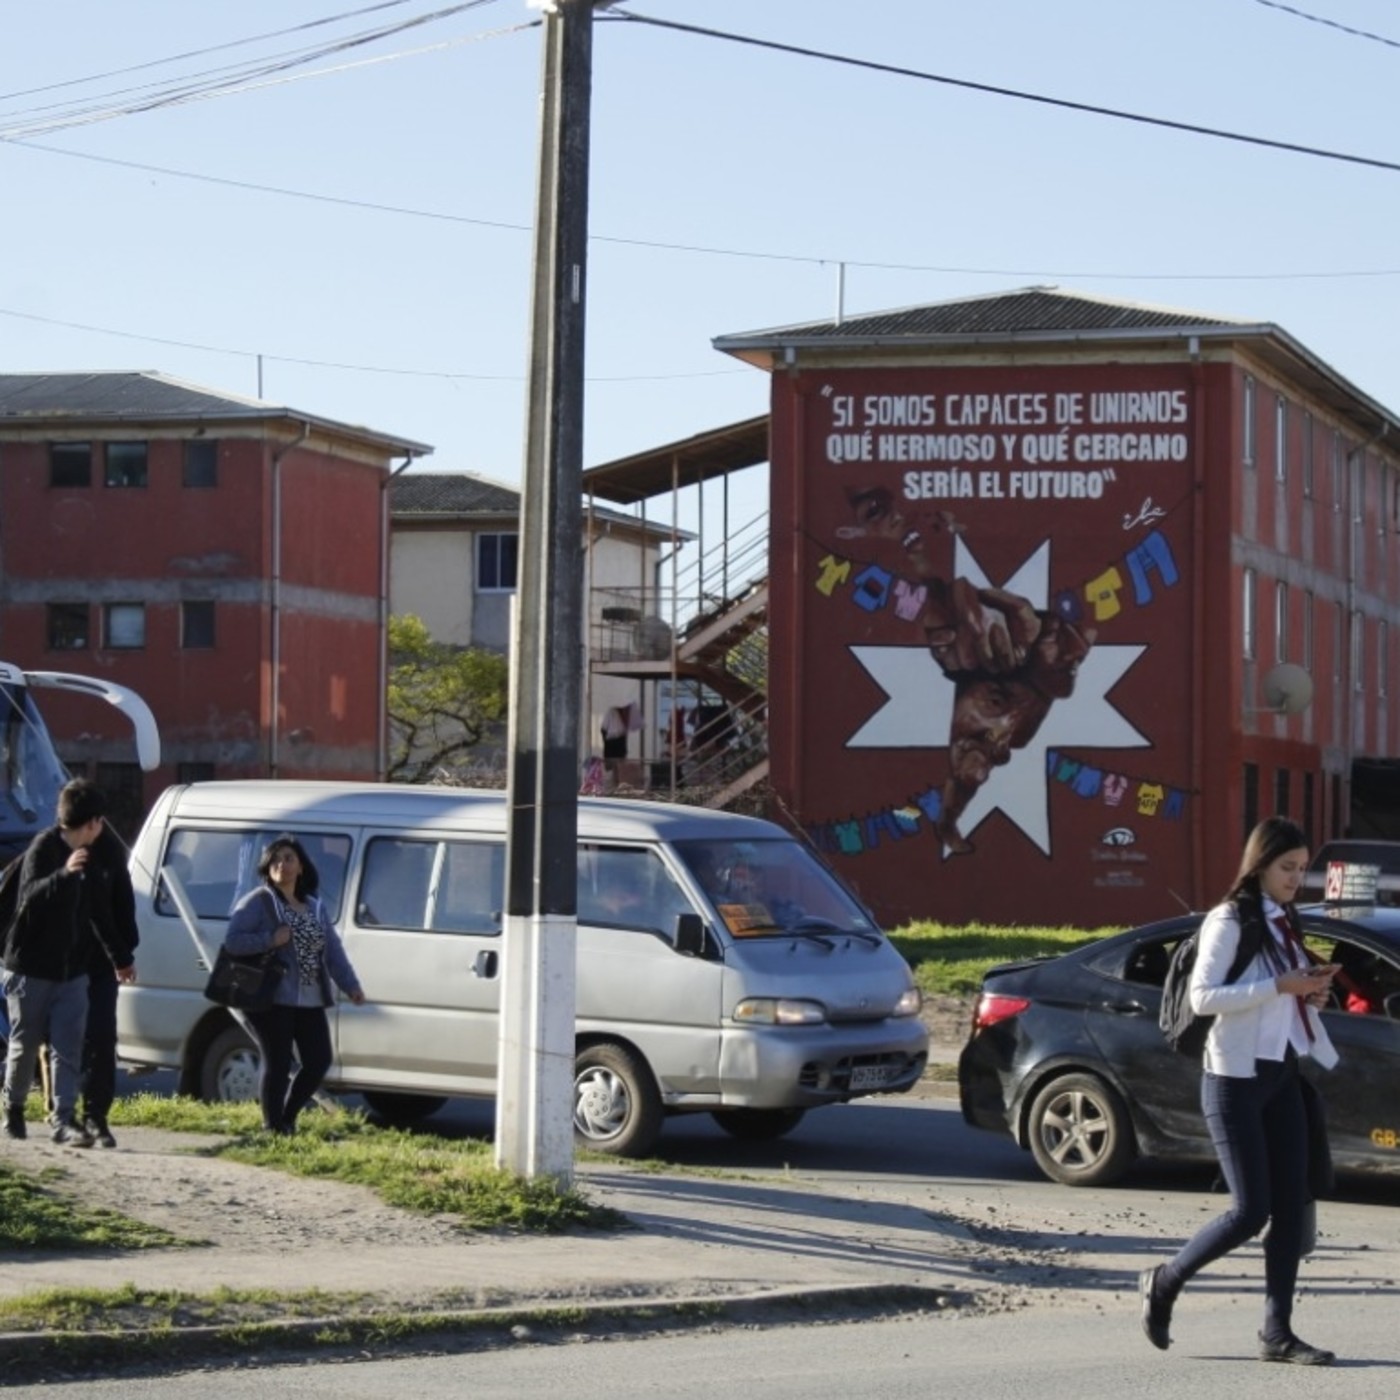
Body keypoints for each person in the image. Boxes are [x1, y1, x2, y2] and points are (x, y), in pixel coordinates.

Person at [1138, 816, 1342, 1365]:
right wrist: (1279, 985)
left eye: (1302, 869)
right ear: (1259, 866)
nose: (1297, 878)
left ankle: (1277, 1333)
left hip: (1280, 1074)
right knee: (1250, 1211)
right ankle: (1165, 1280)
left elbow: (1278, 996)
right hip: (1232, 1079)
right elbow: (1205, 997)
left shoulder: (1285, 920)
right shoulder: (1230, 919)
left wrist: (1307, 995)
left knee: (1293, 1206)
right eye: (1287, 867)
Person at [838, 488, 1093, 853]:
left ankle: (948, 819)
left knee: (978, 756)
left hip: (1003, 675)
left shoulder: (1032, 638)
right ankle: (947, 822)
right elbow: (961, 597)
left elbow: (998, 605)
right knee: (973, 759)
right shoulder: (994, 658)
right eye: (873, 514)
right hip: (989, 674)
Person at [1, 780, 137, 1146]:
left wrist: (120, 958)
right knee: (25, 1043)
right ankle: (12, 1107)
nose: (102, 828)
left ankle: (63, 1121)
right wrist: (64, 875)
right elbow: (28, 898)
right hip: (30, 967)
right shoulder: (43, 847)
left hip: (73, 970)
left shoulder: (93, 855)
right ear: (91, 822)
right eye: (99, 822)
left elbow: (99, 914)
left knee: (68, 1046)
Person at [224, 834, 364, 1135]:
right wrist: (269, 940)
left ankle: (287, 1118)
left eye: (289, 859)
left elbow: (333, 950)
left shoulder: (314, 906)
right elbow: (233, 942)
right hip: (271, 997)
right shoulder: (258, 902)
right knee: (277, 1062)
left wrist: (350, 985)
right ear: (267, 868)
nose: (282, 865)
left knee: (318, 1060)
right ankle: (273, 1126)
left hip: (310, 997)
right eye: (275, 860)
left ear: (301, 867)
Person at [76, 818, 140, 1148]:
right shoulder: (51, 848)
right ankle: (57, 1112)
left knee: (101, 1039)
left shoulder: (110, 852)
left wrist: (124, 952)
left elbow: (122, 905)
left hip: (101, 965)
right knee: (60, 1039)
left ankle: (95, 1116)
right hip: (60, 964)